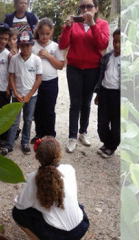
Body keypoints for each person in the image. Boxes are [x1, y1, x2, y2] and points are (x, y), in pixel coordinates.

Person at [12, 136, 90, 239]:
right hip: (80, 227)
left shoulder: (34, 178)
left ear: (36, 157)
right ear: (59, 155)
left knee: (17, 213)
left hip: (57, 236)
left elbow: (21, 205)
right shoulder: (69, 169)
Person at [59, 0, 109, 153]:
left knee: (86, 103)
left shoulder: (102, 24)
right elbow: (62, 45)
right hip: (74, 68)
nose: (85, 9)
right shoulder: (73, 24)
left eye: (89, 6)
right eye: (82, 6)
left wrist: (93, 24)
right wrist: (67, 28)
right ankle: (72, 136)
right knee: (75, 103)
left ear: (96, 8)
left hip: (92, 69)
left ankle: (83, 132)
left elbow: (103, 45)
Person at [1, 31, 42, 156]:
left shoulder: (36, 60)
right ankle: (9, 145)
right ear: (18, 46)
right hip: (17, 95)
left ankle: (25, 142)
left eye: (28, 45)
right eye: (22, 45)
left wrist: (29, 95)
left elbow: (38, 79)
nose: (25, 48)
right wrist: (15, 92)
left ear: (32, 45)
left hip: (31, 96)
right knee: (14, 120)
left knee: (28, 119)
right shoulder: (14, 59)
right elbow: (11, 77)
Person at [31, 18, 65, 143]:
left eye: (47, 34)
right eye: (42, 33)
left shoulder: (55, 47)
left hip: (50, 82)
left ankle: (50, 135)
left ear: (51, 32)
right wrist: (36, 57)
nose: (44, 36)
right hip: (35, 82)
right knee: (38, 109)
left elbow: (60, 65)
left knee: (49, 109)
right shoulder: (33, 45)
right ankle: (39, 134)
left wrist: (49, 56)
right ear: (37, 32)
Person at [94, 28, 120, 158]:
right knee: (102, 124)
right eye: (115, 41)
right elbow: (101, 77)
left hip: (118, 96)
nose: (117, 45)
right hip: (104, 93)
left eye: (120, 42)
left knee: (116, 125)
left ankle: (111, 146)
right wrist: (98, 93)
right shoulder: (107, 57)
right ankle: (106, 142)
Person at [0, 23, 13, 146]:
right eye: (1, 38)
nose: (4, 42)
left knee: (2, 115)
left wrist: (9, 87)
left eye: (6, 39)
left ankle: (3, 138)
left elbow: (11, 73)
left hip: (3, 89)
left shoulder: (8, 55)